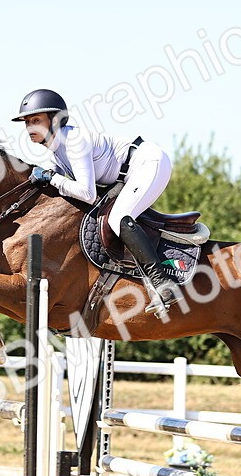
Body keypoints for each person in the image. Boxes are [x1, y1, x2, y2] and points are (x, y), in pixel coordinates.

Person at [11, 88, 181, 311]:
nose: (30, 127)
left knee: (119, 217)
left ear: (54, 120)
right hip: (126, 175)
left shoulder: (73, 141)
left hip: (149, 163)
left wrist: (51, 177)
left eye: (36, 120)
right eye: (27, 122)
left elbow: (87, 194)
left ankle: (163, 283)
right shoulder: (56, 149)